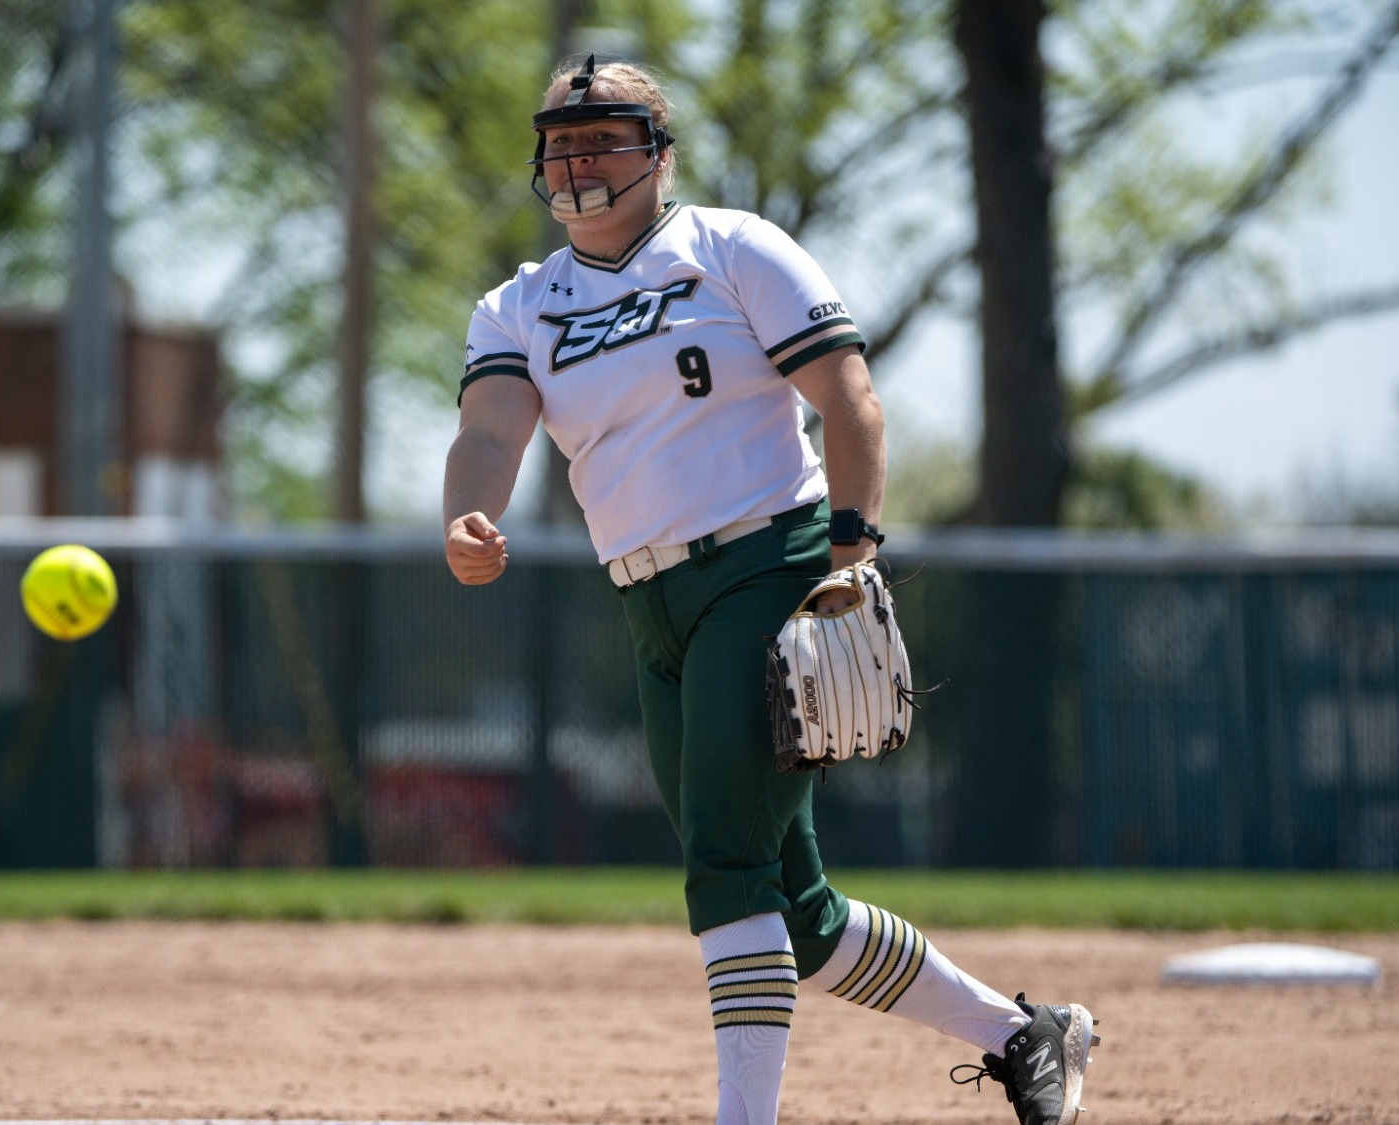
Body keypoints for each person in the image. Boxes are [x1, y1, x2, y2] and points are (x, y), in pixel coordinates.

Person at [441, 55, 1099, 1125]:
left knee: (722, 861)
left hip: (767, 565)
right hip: (648, 603)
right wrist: (465, 515)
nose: (574, 161)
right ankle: (1024, 1037)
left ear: (657, 153)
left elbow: (847, 397)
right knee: (793, 911)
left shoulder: (731, 248)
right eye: (559, 143)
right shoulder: (520, 303)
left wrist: (851, 552)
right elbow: (485, 431)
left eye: (601, 137)